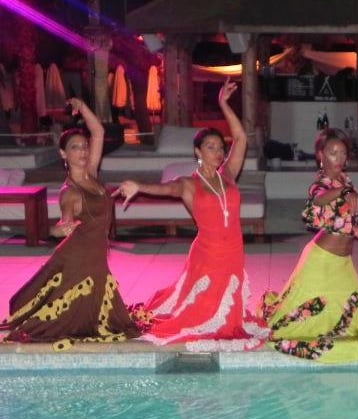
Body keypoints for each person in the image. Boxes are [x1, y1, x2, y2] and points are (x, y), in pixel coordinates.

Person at [113, 78, 268, 352]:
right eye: (210, 147)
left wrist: (223, 105)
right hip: (208, 252)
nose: (218, 152)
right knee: (201, 311)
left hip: (234, 249)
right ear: (198, 151)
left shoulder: (228, 175)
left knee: (228, 308)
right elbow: (165, 189)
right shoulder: (189, 184)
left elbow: (241, 138)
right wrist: (139, 186)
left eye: (220, 147)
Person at [0, 98, 141, 350]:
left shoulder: (92, 173)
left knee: (102, 317)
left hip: (96, 256)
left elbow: (98, 131)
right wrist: (57, 229)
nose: (83, 151)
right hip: (79, 257)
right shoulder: (70, 192)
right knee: (69, 318)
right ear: (63, 154)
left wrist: (83, 107)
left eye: (85, 146)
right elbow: (63, 221)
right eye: (75, 148)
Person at [259, 128, 358, 363]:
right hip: (321, 261)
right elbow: (319, 198)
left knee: (356, 317)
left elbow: (339, 215)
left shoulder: (345, 180)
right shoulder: (323, 183)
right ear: (320, 155)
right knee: (299, 321)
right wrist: (343, 191)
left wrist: (354, 227)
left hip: (343, 262)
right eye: (332, 153)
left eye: (343, 153)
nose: (338, 158)